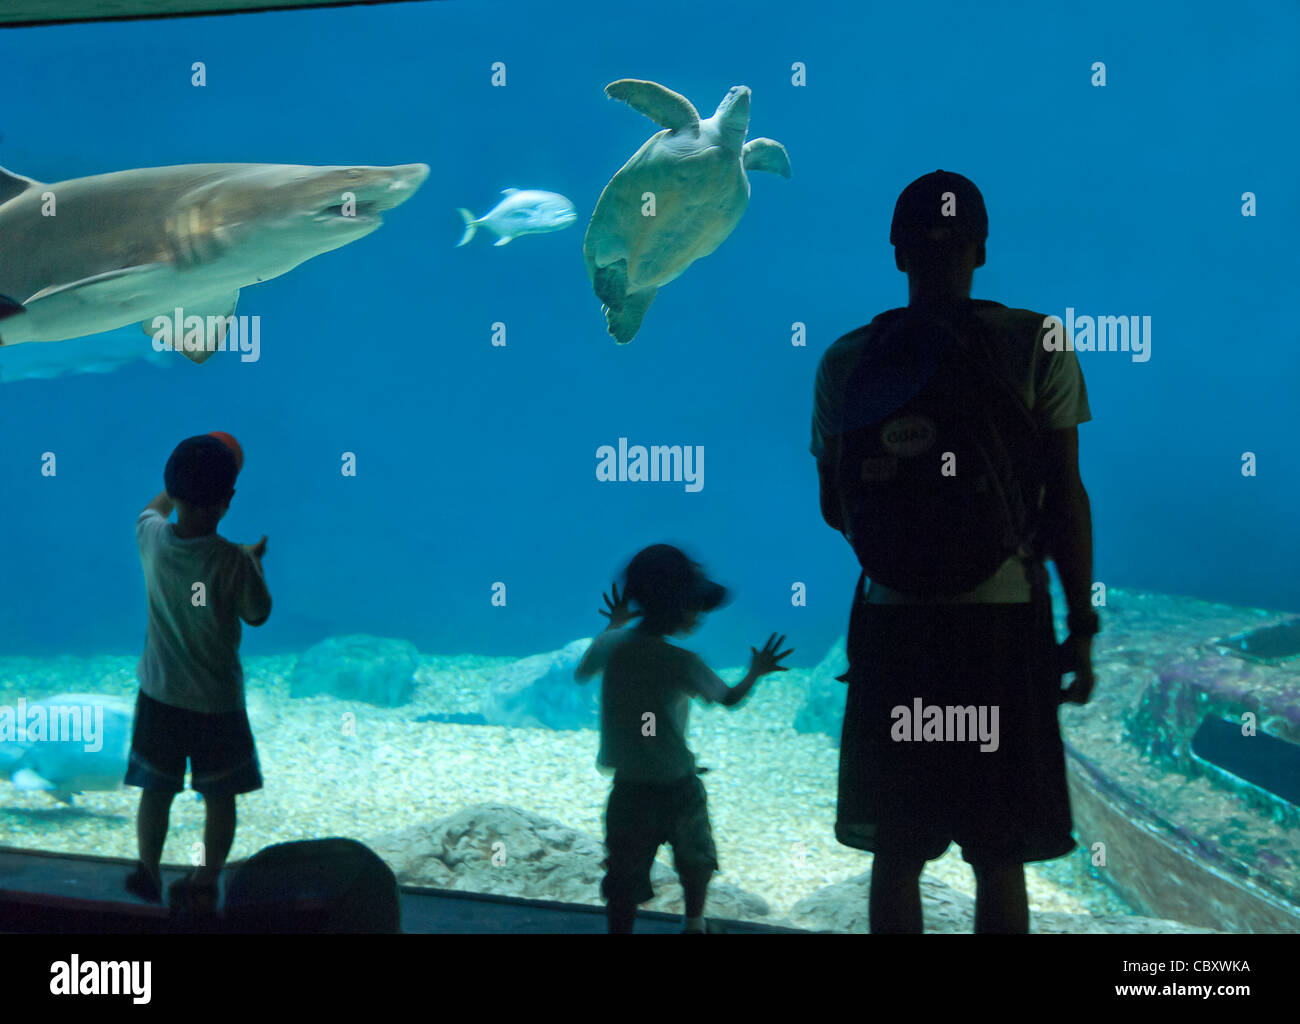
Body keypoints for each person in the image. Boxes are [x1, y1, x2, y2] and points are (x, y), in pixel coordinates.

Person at [810, 170, 1098, 933]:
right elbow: (1065, 496)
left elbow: (835, 504)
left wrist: (913, 551)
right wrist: (1082, 630)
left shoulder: (847, 358)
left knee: (898, 849)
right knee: (998, 848)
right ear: (981, 249)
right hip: (1000, 627)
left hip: (897, 627)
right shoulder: (1036, 340)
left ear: (897, 253)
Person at [574, 544, 792, 934]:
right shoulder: (682, 662)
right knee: (695, 859)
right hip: (677, 784)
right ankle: (694, 924)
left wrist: (614, 624)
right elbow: (729, 699)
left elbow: (582, 672)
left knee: (624, 870)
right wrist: (756, 671)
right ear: (680, 609)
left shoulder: (613, 645)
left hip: (628, 786)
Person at [124, 433, 272, 914]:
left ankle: (147, 869)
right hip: (217, 704)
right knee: (220, 795)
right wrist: (253, 564)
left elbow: (152, 510)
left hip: (160, 697)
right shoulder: (233, 562)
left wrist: (175, 482)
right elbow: (258, 614)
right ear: (228, 501)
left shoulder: (151, 539)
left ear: (172, 490)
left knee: (156, 790)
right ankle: (208, 879)